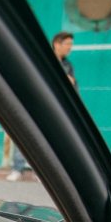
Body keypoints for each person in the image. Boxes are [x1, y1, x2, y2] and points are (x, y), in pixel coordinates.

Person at [7, 31, 76, 181]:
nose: (70, 47)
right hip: (34, 105)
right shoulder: (42, 60)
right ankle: (17, 169)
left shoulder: (67, 65)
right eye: (67, 44)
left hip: (54, 108)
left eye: (71, 44)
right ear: (57, 44)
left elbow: (72, 86)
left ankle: (40, 171)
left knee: (46, 140)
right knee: (24, 135)